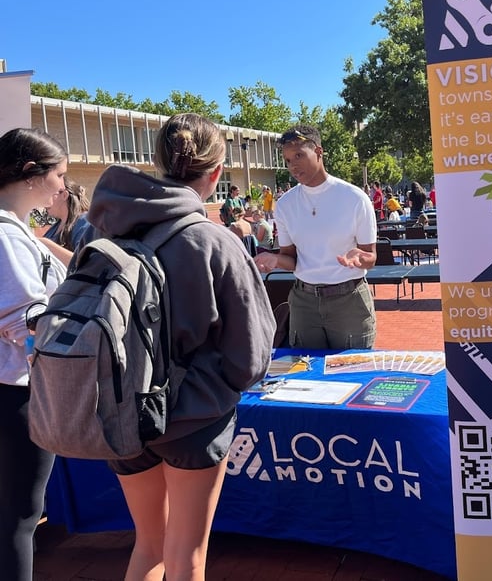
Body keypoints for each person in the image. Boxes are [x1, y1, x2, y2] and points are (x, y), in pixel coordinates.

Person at [86, 113, 275, 580]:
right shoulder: (213, 240)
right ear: (216, 173)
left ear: (159, 162)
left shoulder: (102, 231)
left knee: (148, 544)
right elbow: (252, 353)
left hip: (121, 409)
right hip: (194, 415)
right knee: (187, 554)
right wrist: (220, 388)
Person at [0, 128, 69, 581]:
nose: (63, 187)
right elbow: (22, 322)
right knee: (22, 515)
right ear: (31, 174)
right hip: (17, 391)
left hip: (17, 387)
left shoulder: (15, 231)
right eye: (59, 175)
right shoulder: (6, 236)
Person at [254, 125, 377, 349]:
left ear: (319, 152)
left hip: (349, 300)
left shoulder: (355, 198)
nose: (293, 166)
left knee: (351, 368)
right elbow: (291, 259)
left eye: (299, 156)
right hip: (304, 302)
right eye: (288, 160)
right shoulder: (285, 204)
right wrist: (276, 260)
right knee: (304, 369)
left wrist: (360, 258)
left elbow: (371, 257)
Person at [40, 175, 91, 265]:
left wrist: (46, 245)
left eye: (49, 195)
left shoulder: (84, 223)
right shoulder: (55, 228)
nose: (44, 202)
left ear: (64, 195)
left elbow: (85, 263)